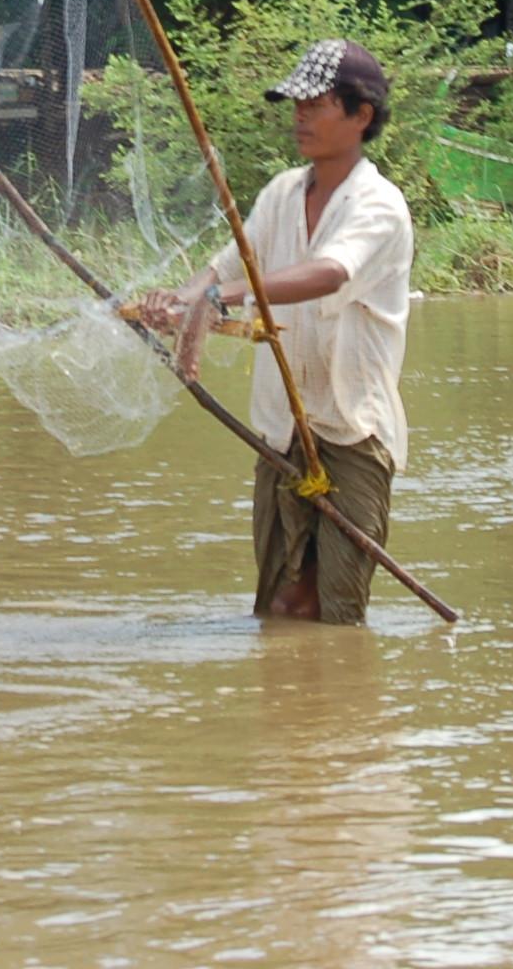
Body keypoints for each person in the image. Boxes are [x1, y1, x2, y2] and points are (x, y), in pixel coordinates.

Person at [134, 39, 414, 625]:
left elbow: (331, 272)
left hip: (352, 433)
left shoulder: (379, 205)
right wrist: (181, 301)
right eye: (296, 105)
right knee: (280, 607)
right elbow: (231, 264)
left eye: (316, 104)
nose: (300, 116)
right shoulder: (282, 192)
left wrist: (220, 298)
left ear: (361, 116)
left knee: (335, 613)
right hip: (281, 434)